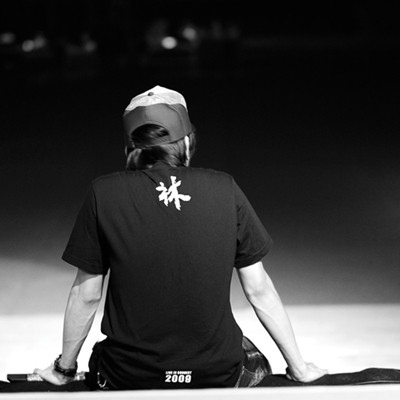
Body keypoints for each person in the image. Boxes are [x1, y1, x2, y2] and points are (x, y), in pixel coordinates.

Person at [32, 85, 327, 389]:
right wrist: (299, 368)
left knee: (104, 356)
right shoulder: (225, 189)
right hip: (216, 371)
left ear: (129, 148)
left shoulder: (103, 193)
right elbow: (258, 289)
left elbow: (87, 295)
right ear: (186, 142)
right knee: (249, 355)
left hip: (128, 374)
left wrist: (64, 369)